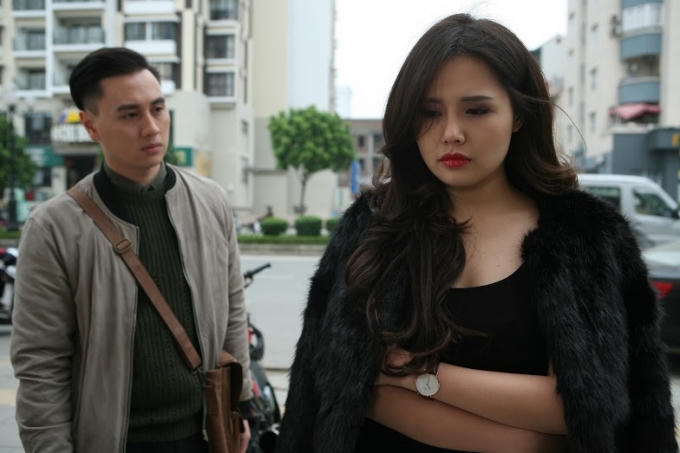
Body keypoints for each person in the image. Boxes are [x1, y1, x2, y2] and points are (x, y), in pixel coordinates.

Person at [276, 14, 677, 453]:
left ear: (519, 114)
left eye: (476, 110)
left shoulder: (586, 237)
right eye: (429, 112)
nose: (451, 133)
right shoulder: (370, 229)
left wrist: (417, 375)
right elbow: (331, 393)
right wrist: (530, 440)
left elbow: (585, 407)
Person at [10, 47, 253, 453]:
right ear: (91, 126)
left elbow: (233, 307)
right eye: (130, 115)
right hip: (111, 441)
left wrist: (240, 403)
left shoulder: (210, 202)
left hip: (202, 434)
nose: (151, 127)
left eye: (158, 109)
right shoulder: (53, 227)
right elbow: (40, 363)